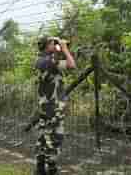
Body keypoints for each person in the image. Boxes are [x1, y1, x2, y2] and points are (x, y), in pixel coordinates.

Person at [34, 36, 76, 175]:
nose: (56, 44)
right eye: (54, 43)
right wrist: (63, 48)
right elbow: (71, 65)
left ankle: (40, 168)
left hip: (45, 106)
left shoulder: (42, 60)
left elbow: (66, 62)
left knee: (43, 135)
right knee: (55, 137)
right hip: (53, 106)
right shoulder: (48, 61)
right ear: (47, 46)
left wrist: (63, 49)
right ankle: (52, 169)